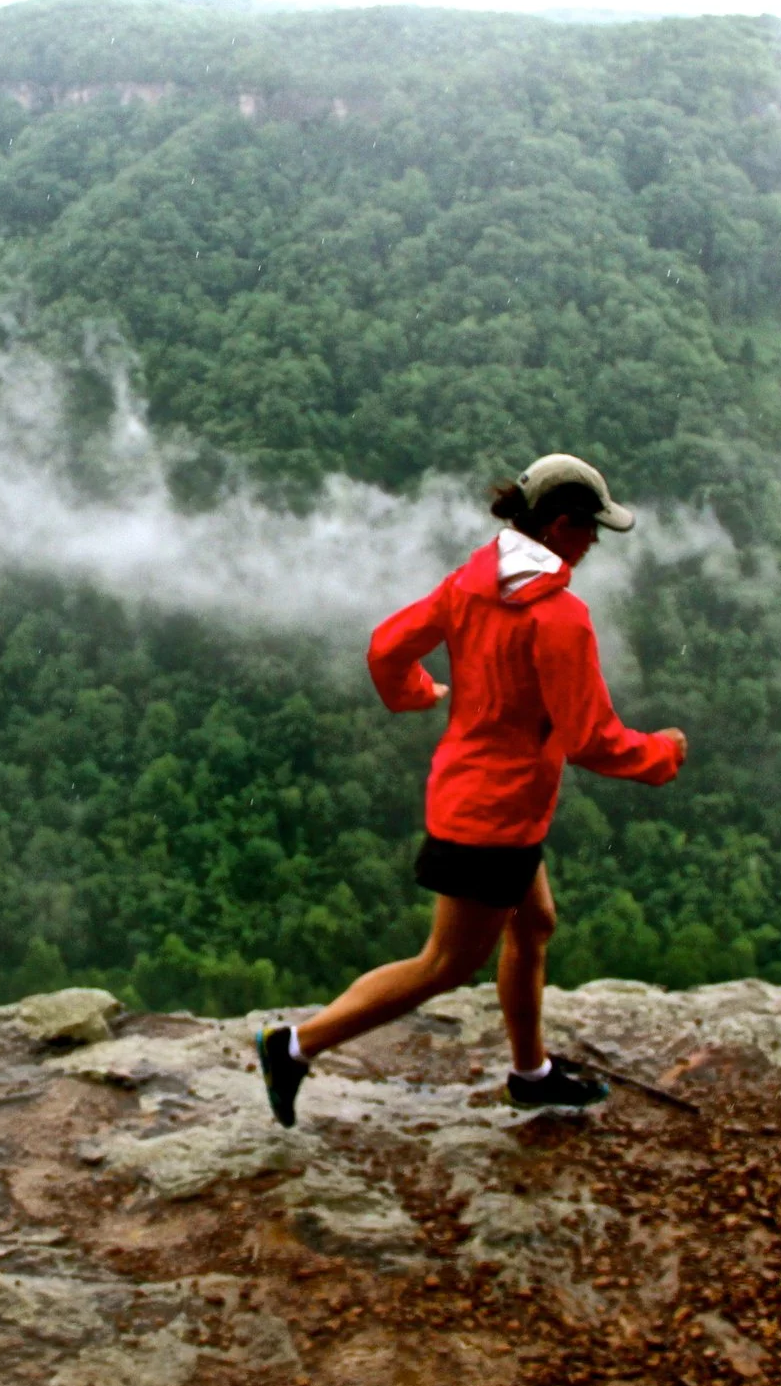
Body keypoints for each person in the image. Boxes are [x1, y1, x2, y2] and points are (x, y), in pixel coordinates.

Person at [258, 454, 687, 1125]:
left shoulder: (471, 581)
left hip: (477, 797)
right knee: (443, 965)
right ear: (564, 525)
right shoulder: (559, 618)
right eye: (593, 528)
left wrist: (417, 693)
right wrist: (663, 753)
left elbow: (386, 647)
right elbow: (593, 740)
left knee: (534, 923)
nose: (597, 542)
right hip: (495, 818)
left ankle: (530, 1071)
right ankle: (295, 1046)